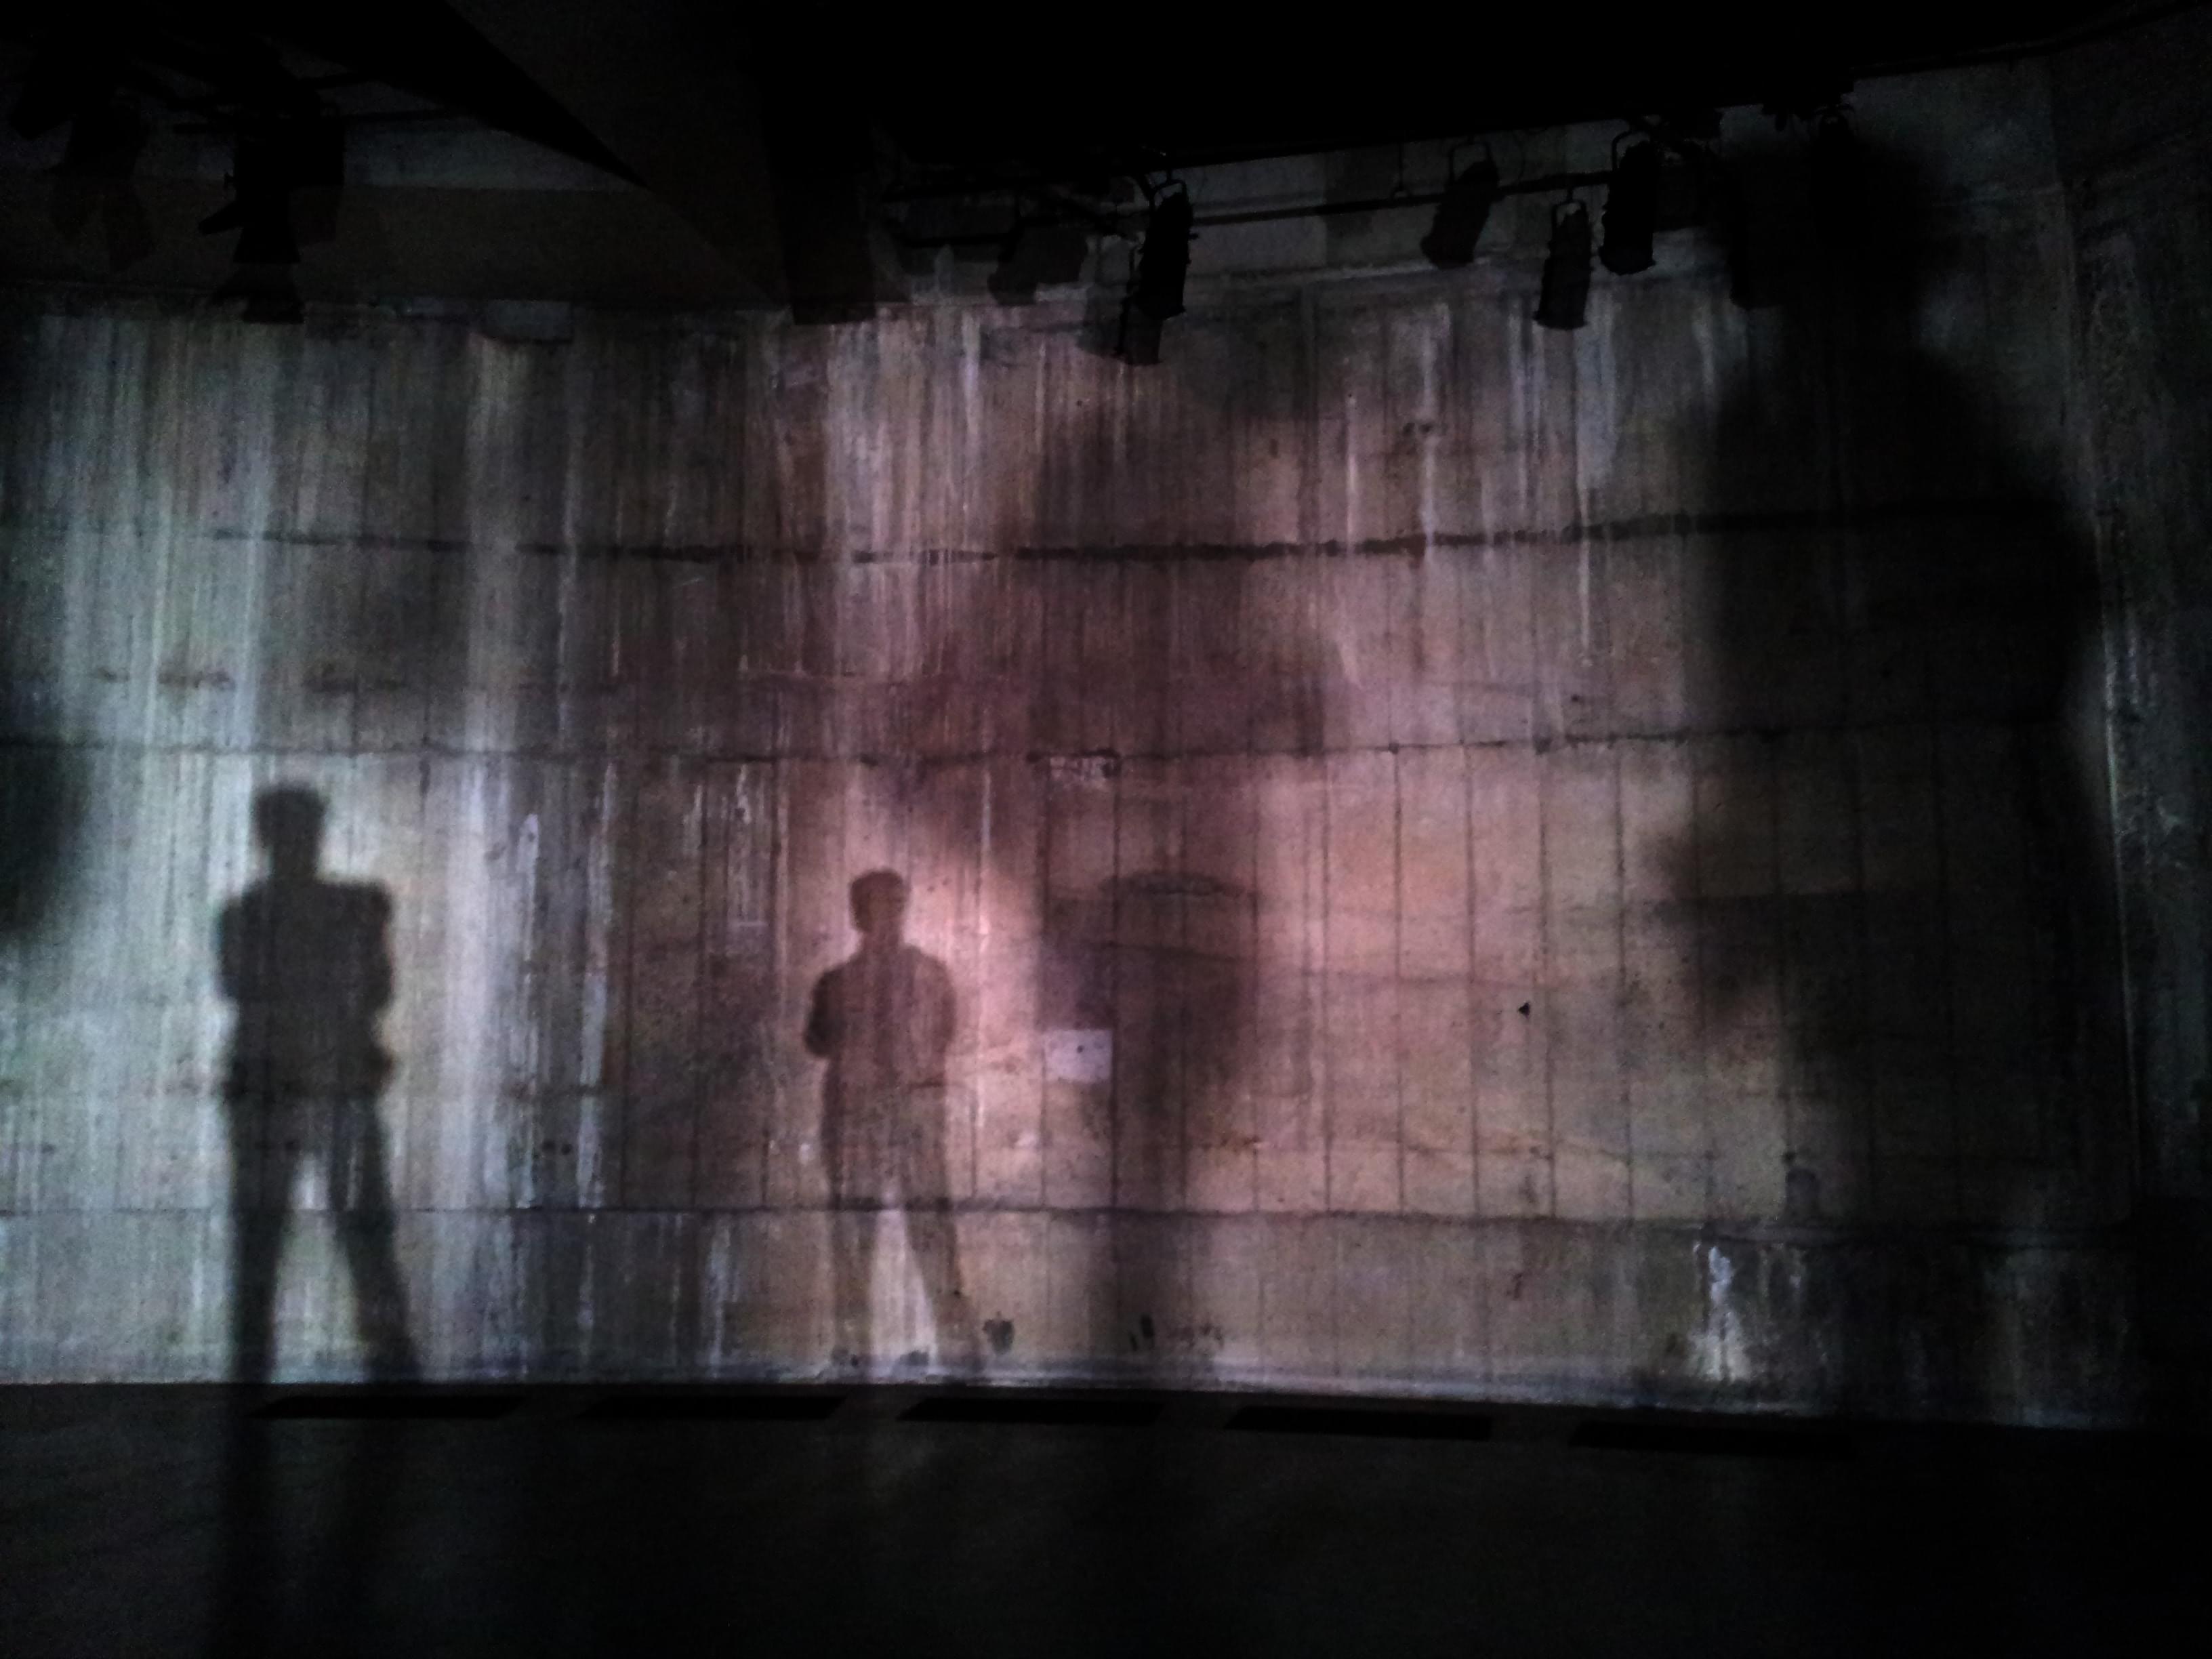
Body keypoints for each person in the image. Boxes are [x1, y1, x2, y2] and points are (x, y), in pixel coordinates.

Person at [218, 787, 417, 1385]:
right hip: (327, 1084)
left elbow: (244, 989)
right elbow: (377, 990)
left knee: (267, 1235)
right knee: (358, 1232)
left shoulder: (245, 916)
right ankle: (390, 1361)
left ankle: (255, 1368)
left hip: (275, 1086)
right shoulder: (350, 909)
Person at [805, 869, 979, 1372]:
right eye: (886, 906)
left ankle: (861, 1353)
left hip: (871, 1117)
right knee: (922, 1236)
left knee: (867, 1239)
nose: (889, 916)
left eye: (892, 906)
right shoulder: (927, 975)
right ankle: (955, 1353)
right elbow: (944, 1034)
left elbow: (818, 1042)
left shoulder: (839, 982)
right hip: (893, 1117)